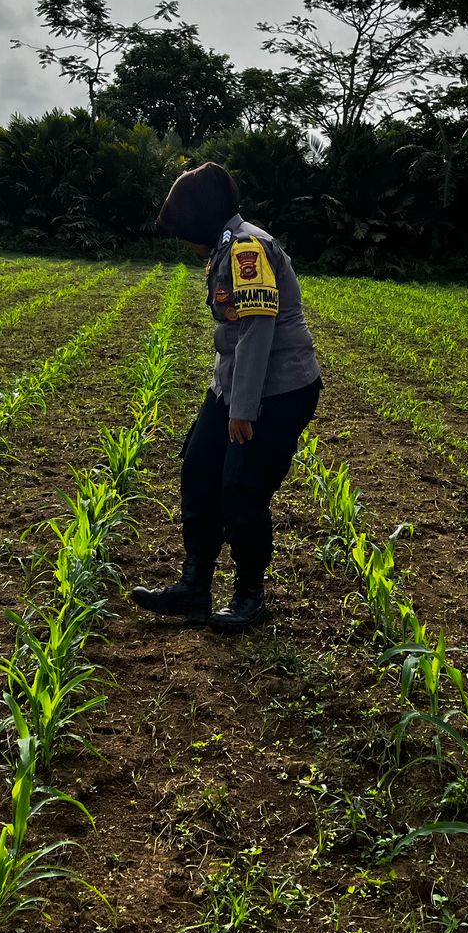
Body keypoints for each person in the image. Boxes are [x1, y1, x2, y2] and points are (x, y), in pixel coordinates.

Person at [132, 162, 321, 632]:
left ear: (201, 218)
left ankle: (248, 596)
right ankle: (195, 588)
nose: (183, 241)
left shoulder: (246, 250)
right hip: (234, 384)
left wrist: (241, 411)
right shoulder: (223, 248)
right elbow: (234, 333)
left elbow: (256, 332)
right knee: (198, 467)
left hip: (278, 391)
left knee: (241, 487)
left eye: (183, 230)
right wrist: (226, 398)